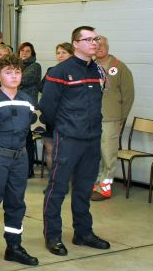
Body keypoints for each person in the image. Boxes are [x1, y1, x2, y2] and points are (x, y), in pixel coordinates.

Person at [40, 26, 110, 257]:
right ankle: (53, 236)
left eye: (95, 39)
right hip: (68, 139)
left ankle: (83, 233)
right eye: (88, 39)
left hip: (91, 139)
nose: (94, 43)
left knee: (82, 189)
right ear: (76, 43)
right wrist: (63, 128)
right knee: (57, 189)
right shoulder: (60, 71)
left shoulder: (98, 69)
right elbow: (48, 108)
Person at [0, 54, 39, 271]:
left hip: (19, 158)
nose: (14, 76)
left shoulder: (28, 101)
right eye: (8, 72)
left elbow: (27, 126)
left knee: (16, 203)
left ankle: (14, 247)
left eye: (17, 71)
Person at [91, 35, 135, 201]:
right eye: (96, 44)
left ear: (108, 47)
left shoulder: (119, 67)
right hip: (92, 118)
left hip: (111, 118)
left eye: (102, 44)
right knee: (94, 153)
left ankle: (105, 187)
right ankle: (95, 183)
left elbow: (128, 95)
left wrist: (121, 118)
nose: (99, 47)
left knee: (108, 154)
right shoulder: (89, 66)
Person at [40, 43, 74, 173]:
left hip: (67, 118)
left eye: (64, 52)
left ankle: (66, 181)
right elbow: (41, 87)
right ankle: (53, 181)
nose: (60, 55)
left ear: (72, 54)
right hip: (51, 116)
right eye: (58, 53)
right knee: (50, 149)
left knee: (66, 151)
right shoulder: (51, 70)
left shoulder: (76, 72)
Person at [18, 42, 42, 178]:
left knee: (27, 139)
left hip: (28, 107)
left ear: (32, 54)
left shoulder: (35, 66)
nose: (24, 53)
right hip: (16, 106)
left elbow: (22, 79)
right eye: (22, 50)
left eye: (28, 51)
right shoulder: (17, 65)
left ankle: (28, 169)